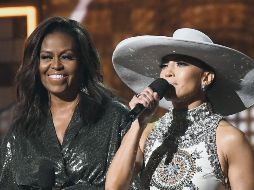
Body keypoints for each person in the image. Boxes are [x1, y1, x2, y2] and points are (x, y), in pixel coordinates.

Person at [105, 28, 254, 190]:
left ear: (206, 77)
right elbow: (114, 187)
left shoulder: (229, 139)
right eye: (164, 65)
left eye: (181, 64)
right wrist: (138, 123)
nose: (168, 72)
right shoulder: (147, 134)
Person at [0, 16, 130, 189]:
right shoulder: (20, 132)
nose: (56, 65)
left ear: (83, 62)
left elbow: (136, 182)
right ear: (35, 64)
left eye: (67, 57)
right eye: (46, 57)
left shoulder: (115, 118)